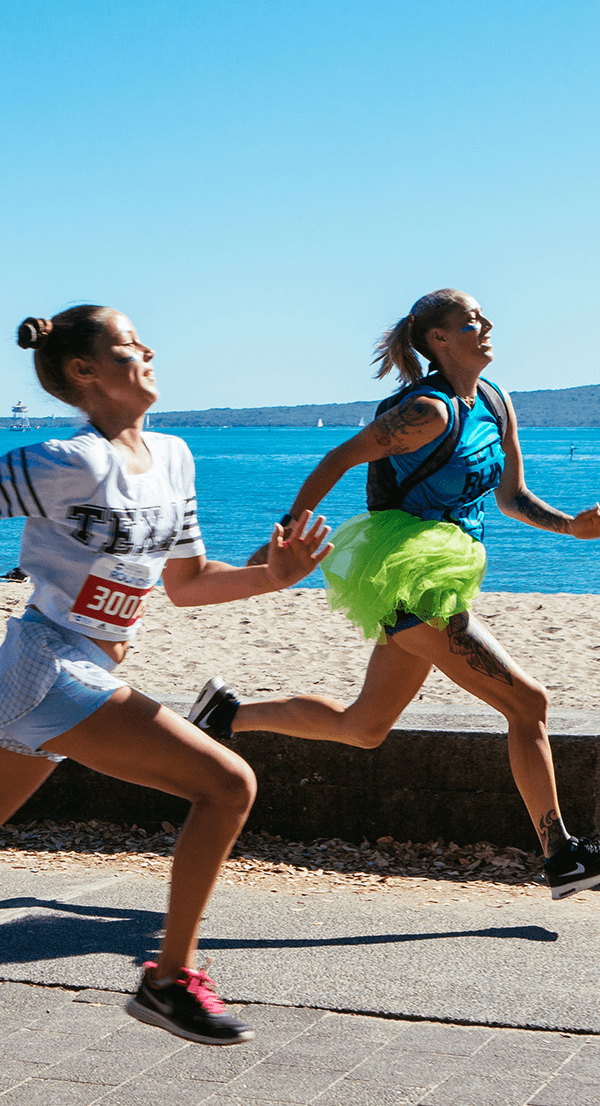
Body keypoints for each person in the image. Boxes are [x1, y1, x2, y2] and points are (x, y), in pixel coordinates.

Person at [189, 288, 600, 902]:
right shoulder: (426, 412)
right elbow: (338, 459)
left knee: (364, 727)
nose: (487, 325)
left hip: (442, 573)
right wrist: (284, 537)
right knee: (528, 703)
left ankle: (225, 715)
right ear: (439, 339)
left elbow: (511, 496)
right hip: (406, 579)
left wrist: (571, 527)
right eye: (471, 321)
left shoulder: (494, 400)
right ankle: (561, 857)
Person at [0, 305, 331, 1045]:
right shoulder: (67, 461)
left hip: (70, 675)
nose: (147, 349)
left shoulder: (175, 457)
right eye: (127, 345)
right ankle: (168, 981)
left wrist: (273, 577)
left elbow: (187, 582)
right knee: (228, 785)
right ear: (84, 371)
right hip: (48, 665)